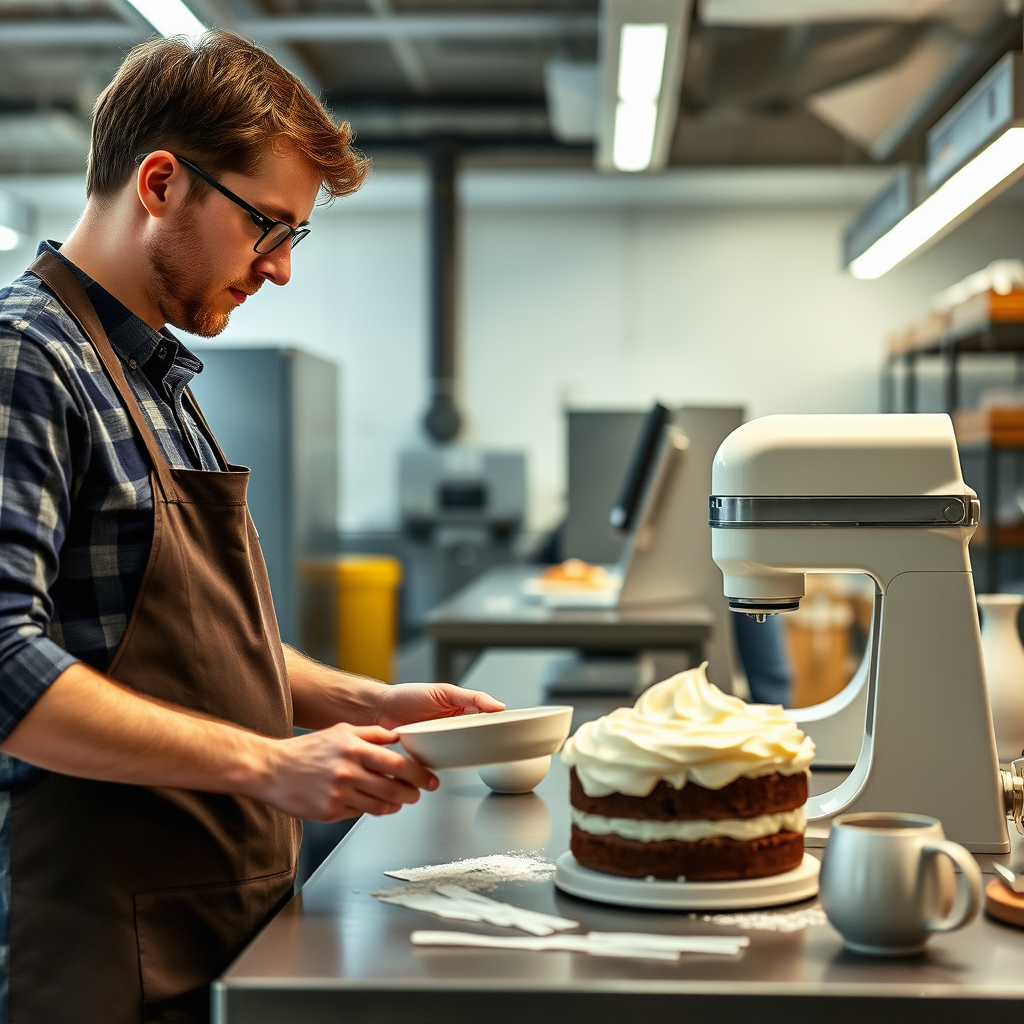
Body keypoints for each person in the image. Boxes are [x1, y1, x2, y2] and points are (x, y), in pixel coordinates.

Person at [0, 30, 503, 1024]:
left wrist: (366, 699)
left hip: (208, 915)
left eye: (292, 237)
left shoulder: (157, 375)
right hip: (96, 942)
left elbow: (191, 650)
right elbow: (4, 662)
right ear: (158, 182)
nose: (277, 269)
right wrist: (270, 761)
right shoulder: (27, 359)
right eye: (266, 226)